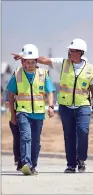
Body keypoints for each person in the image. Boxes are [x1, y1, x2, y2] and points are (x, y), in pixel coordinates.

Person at [13, 38, 93, 173]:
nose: (68, 53)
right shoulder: (63, 63)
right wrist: (27, 57)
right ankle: (71, 165)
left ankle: (81, 158)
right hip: (65, 107)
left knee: (83, 131)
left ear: (80, 52)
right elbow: (44, 60)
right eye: (69, 51)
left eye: (71, 51)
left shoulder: (90, 68)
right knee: (69, 135)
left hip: (83, 106)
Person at [9, 44, 55, 175]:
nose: (29, 65)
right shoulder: (17, 74)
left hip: (39, 114)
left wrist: (51, 106)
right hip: (23, 112)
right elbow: (11, 95)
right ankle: (26, 164)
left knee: (36, 142)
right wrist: (13, 115)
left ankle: (33, 166)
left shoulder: (43, 74)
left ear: (36, 61)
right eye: (27, 62)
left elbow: (50, 91)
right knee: (26, 137)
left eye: (32, 62)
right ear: (23, 62)